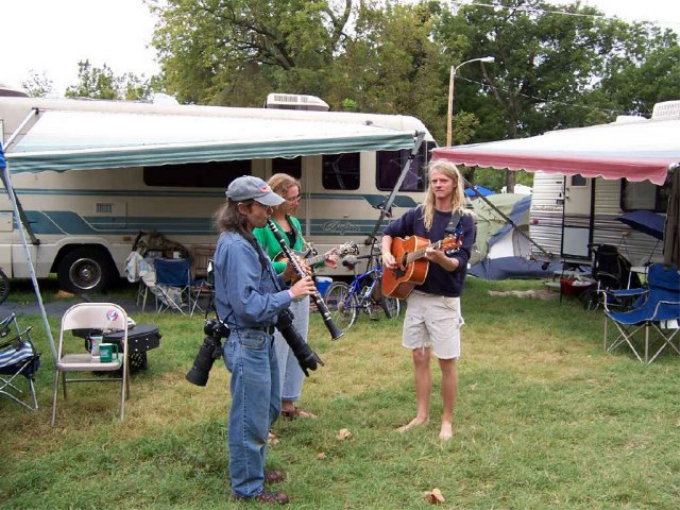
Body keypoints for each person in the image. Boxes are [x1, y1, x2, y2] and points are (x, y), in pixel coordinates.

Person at [213, 175, 319, 505]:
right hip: (247, 340)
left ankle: (253, 468)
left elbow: (264, 282)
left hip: (262, 339)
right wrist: (291, 293)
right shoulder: (235, 247)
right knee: (249, 417)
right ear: (243, 209)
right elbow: (247, 306)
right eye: (264, 207)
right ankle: (247, 487)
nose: (270, 212)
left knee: (268, 408)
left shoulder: (249, 239)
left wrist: (286, 275)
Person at [381, 160, 475, 441]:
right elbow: (389, 233)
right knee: (419, 356)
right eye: (434, 181)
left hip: (444, 299)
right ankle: (421, 416)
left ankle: (447, 420)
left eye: (443, 181)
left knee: (446, 361)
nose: (437, 185)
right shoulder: (419, 213)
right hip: (416, 295)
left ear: (454, 183)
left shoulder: (464, 220)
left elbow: (457, 263)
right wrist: (387, 255)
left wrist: (440, 257)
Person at [254, 173, 337, 419]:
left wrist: (321, 261)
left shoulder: (295, 224)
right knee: (278, 349)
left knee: (298, 347)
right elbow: (259, 262)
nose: (296, 202)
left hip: (300, 292)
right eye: (291, 198)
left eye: (297, 197)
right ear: (276, 198)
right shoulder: (264, 225)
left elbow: (301, 259)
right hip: (278, 293)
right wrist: (286, 267)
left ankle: (289, 403)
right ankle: (271, 406)